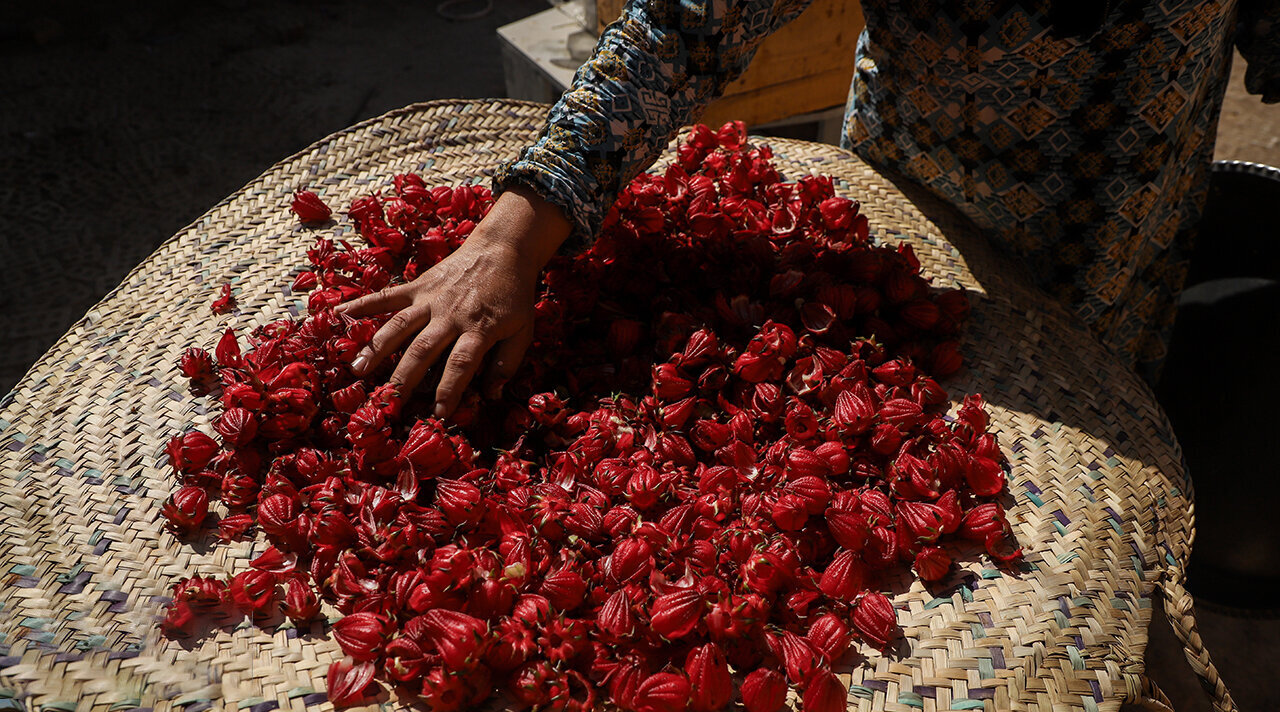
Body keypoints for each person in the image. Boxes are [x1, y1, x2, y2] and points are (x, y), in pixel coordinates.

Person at [340, 0, 1280, 418]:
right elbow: (681, 26)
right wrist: (513, 232)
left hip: (1124, 229)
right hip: (915, 221)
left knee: (1092, 484)